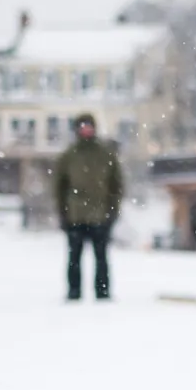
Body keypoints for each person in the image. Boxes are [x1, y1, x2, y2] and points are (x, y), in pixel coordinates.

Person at [52, 113, 124, 301]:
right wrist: (63, 212)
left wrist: (112, 211)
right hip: (75, 216)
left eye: (88, 126)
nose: (86, 130)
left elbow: (117, 185)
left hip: (100, 215)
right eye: (82, 127)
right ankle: (74, 291)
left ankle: (103, 292)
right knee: (74, 257)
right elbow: (59, 186)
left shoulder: (105, 154)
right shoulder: (69, 156)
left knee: (101, 257)